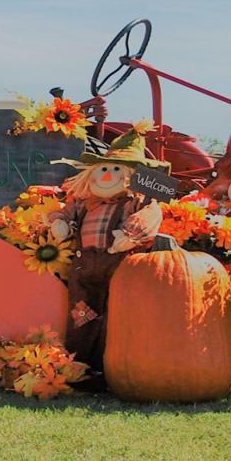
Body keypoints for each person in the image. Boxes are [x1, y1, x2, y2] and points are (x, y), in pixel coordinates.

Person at [50, 122, 166, 386]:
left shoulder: (136, 202)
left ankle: (115, 368)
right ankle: (81, 368)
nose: (107, 175)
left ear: (131, 176)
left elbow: (151, 215)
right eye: (102, 168)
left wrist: (130, 234)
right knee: (82, 315)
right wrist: (60, 223)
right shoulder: (83, 203)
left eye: (115, 169)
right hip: (85, 269)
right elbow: (66, 216)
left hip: (122, 267)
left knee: (118, 316)